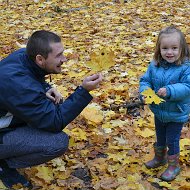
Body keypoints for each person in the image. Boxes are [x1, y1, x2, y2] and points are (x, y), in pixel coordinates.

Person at [0, 30, 103, 188]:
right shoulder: (17, 83)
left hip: (7, 120)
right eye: (59, 55)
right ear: (40, 59)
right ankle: (4, 163)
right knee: (57, 142)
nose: (64, 59)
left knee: (53, 104)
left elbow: (32, 78)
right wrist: (83, 91)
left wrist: (45, 86)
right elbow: (54, 121)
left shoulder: (25, 56)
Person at [139, 26, 190, 181]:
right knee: (160, 137)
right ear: (159, 49)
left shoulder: (185, 67)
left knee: (172, 140)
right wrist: (145, 92)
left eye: (174, 48)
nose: (170, 52)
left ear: (182, 49)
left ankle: (174, 166)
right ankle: (160, 158)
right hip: (159, 111)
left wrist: (170, 90)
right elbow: (145, 80)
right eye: (165, 48)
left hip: (176, 112)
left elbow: (187, 86)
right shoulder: (155, 65)